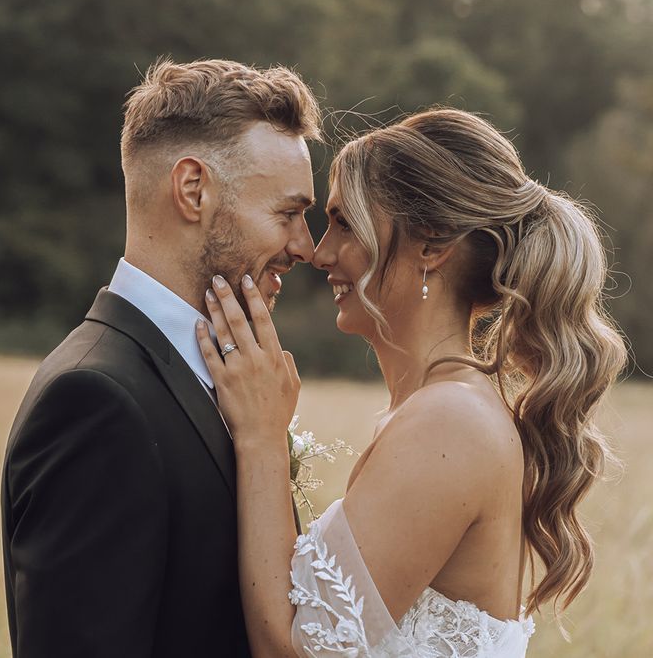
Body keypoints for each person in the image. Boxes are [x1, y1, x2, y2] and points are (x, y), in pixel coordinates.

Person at [197, 108, 627, 657]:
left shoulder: (450, 424)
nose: (320, 253)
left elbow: (293, 652)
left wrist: (261, 438)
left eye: (345, 223)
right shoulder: (438, 411)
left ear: (430, 245)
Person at [0, 58, 321, 657]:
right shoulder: (95, 401)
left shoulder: (225, 381)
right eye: (288, 214)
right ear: (193, 189)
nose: (305, 247)